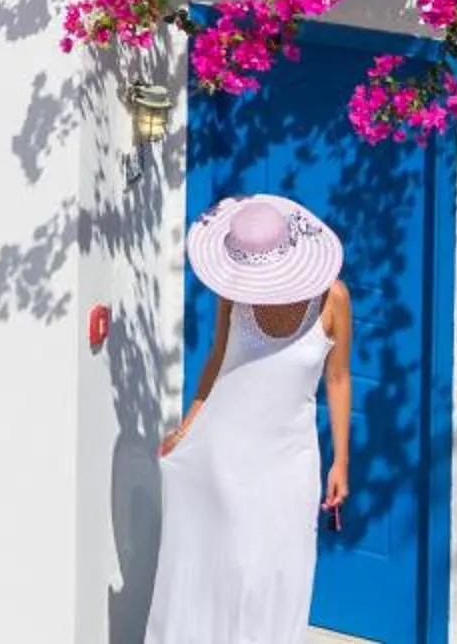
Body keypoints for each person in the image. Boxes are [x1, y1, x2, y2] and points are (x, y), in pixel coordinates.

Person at [145, 194, 353, 643]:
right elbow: (217, 361)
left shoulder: (333, 299)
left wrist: (341, 463)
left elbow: (337, 379)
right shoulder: (233, 296)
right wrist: (187, 427)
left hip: (289, 458)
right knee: (224, 567)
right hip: (224, 454)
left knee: (277, 569)